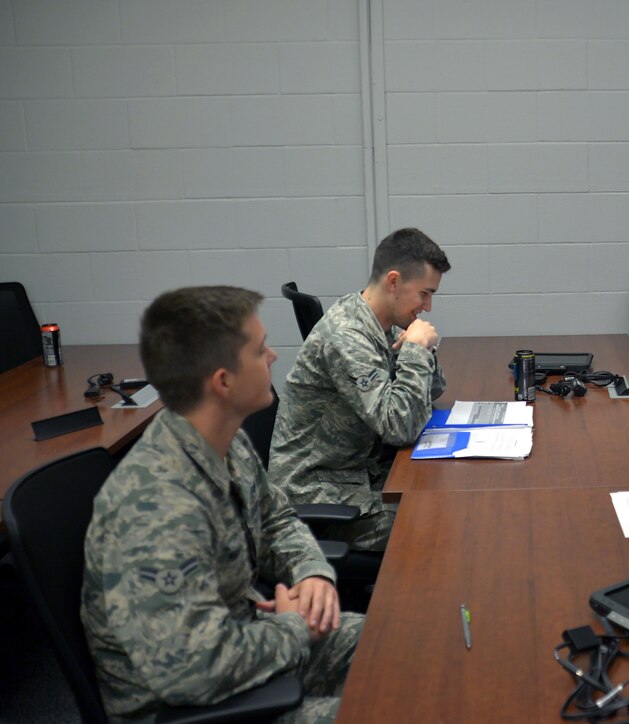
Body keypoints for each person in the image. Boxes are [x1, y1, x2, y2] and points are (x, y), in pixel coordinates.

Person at [82, 286, 364, 722]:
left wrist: (311, 572)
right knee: (390, 705)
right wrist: (293, 629)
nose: (272, 356)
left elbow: (277, 520)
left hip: (246, 642)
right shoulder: (157, 509)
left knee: (397, 644)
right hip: (194, 705)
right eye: (260, 350)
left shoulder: (223, 443)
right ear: (223, 381)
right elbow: (192, 672)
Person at [270, 228, 451, 551]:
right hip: (317, 495)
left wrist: (419, 348)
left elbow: (434, 389)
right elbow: (400, 427)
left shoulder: (382, 322)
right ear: (393, 282)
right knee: (435, 520)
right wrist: (416, 352)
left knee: (441, 494)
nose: (429, 306)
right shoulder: (347, 336)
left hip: (356, 473)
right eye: (424, 293)